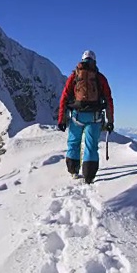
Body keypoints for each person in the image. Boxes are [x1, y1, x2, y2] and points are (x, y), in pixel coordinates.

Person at [57, 50, 114, 184]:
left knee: (73, 143)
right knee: (91, 146)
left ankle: (73, 171)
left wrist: (61, 119)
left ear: (82, 60)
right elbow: (109, 100)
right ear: (94, 61)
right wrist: (110, 121)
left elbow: (64, 97)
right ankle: (89, 176)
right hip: (94, 118)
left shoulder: (75, 76)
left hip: (76, 116)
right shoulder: (100, 78)